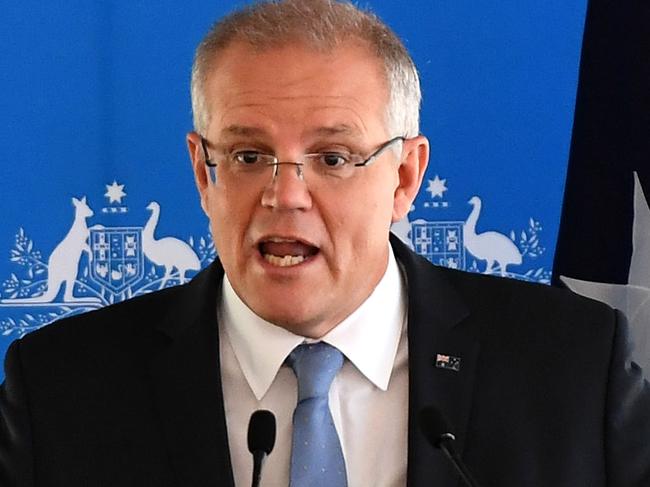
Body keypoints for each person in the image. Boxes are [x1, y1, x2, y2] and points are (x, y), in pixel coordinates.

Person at [1, 1, 649, 486]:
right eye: (250, 154)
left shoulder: (574, 367)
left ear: (404, 176)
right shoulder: (60, 388)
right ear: (204, 173)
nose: (286, 195)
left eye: (333, 157)